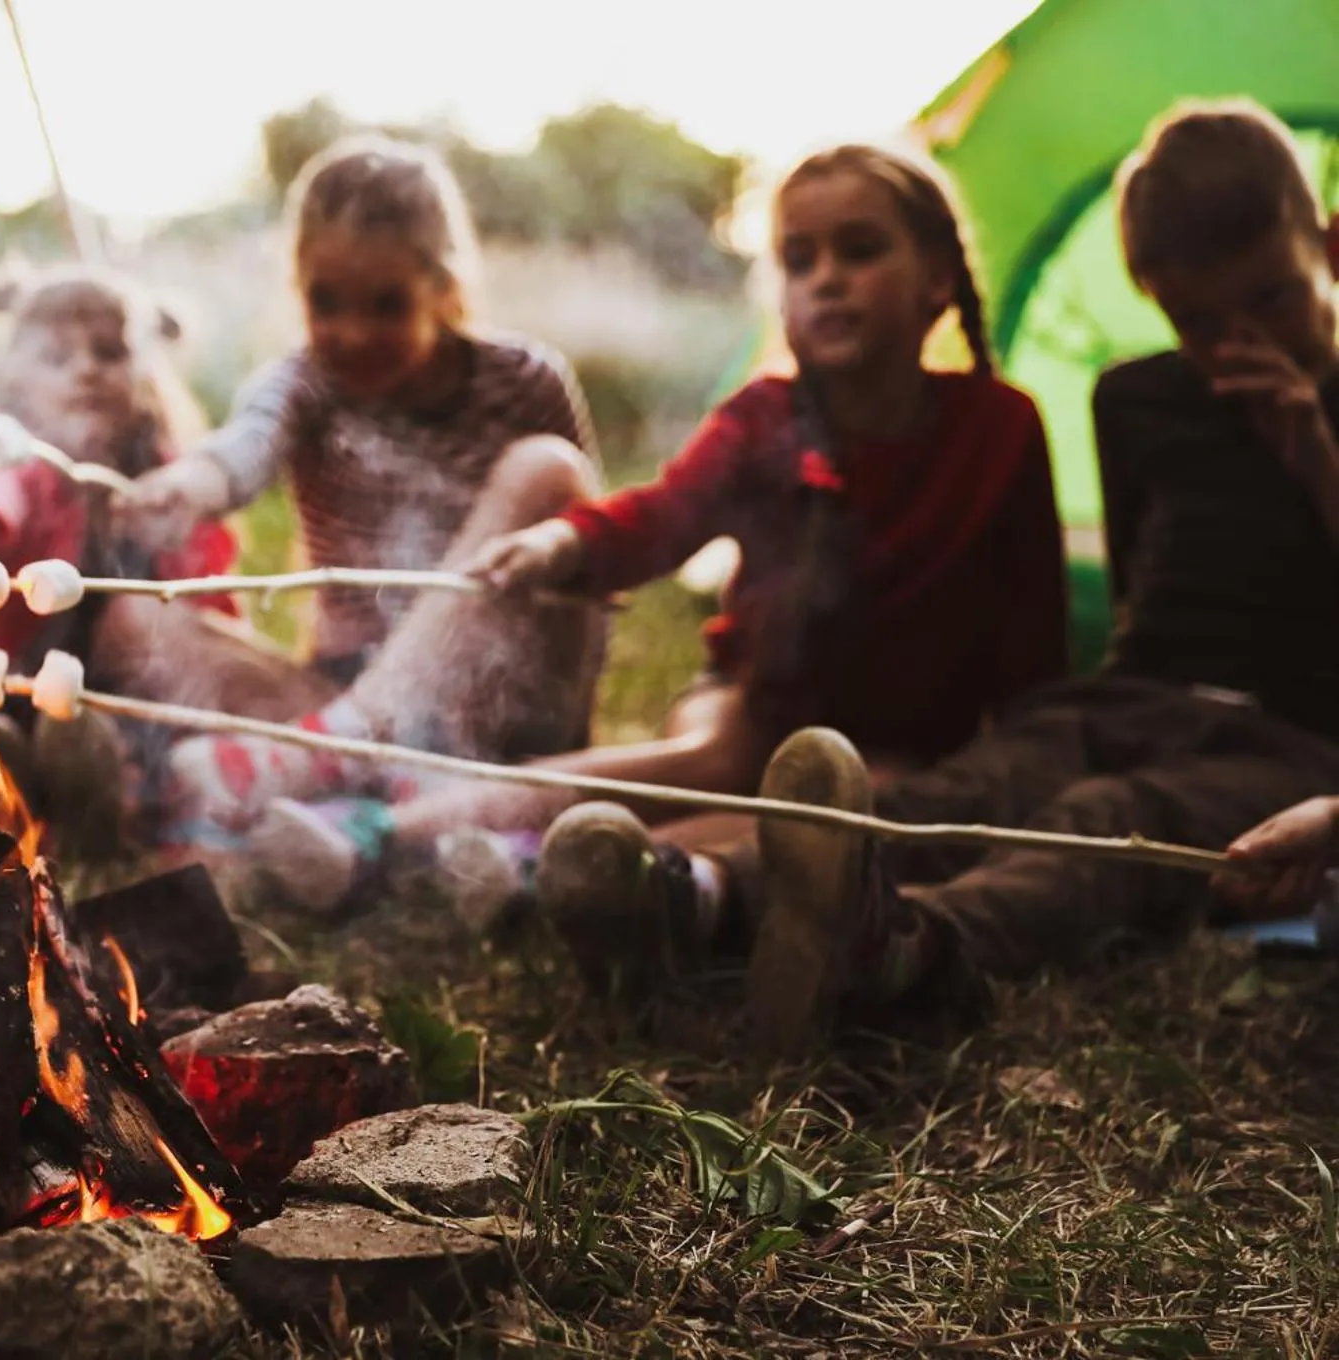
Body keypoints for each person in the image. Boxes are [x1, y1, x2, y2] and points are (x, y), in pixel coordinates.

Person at [247, 142, 1069, 925]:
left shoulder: (999, 429)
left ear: (934, 276)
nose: (828, 282)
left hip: (902, 742)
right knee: (723, 762)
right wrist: (564, 544)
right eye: (800, 259)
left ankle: (555, 868)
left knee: (839, 808)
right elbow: (662, 516)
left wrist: (1024, 756)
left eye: (858, 252)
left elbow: (1032, 624)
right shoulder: (766, 419)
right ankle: (386, 834)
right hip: (745, 702)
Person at [698, 99, 1339, 1056]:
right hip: (1133, 694)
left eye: (1272, 300)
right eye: (1198, 320)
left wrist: (1316, 457)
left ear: (1326, 246)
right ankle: (703, 898)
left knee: (1108, 822)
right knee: (985, 782)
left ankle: (910, 948)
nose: (1237, 339)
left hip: (1285, 740)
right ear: (1150, 293)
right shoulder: (1140, 399)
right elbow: (1136, 595)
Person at [109, 134, 610, 869]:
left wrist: (570, 723)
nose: (351, 331)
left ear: (442, 287)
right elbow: (247, 444)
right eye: (326, 301)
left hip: (505, 706)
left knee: (546, 470)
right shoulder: (304, 383)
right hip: (343, 696)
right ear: (297, 286)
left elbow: (591, 556)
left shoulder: (527, 380)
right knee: (129, 619)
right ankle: (398, 791)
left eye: (386, 304)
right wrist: (192, 484)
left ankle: (355, 765)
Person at [0, 270, 242, 845]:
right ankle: (8, 771)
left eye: (108, 353)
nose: (85, 369)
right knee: (8, 723)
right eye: (56, 358)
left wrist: (216, 651)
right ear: (13, 381)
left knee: (114, 735)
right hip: (21, 675)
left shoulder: (162, 477)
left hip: (134, 698)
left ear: (145, 374)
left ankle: (105, 795)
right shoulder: (24, 460)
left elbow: (205, 591)